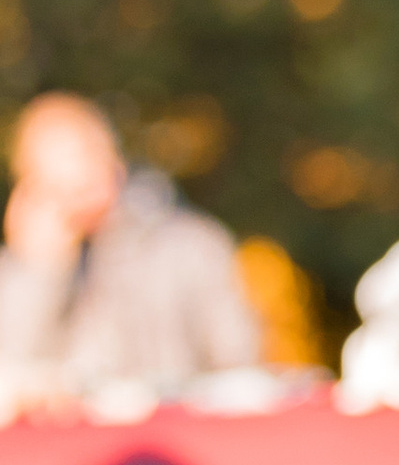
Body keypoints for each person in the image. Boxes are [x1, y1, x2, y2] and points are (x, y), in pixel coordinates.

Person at [0, 92, 263, 416]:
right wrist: (40, 271)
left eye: (82, 155)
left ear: (112, 159)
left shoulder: (191, 245)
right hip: (75, 452)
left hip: (177, 437)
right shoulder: (21, 273)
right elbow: (12, 374)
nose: (73, 184)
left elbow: (239, 362)